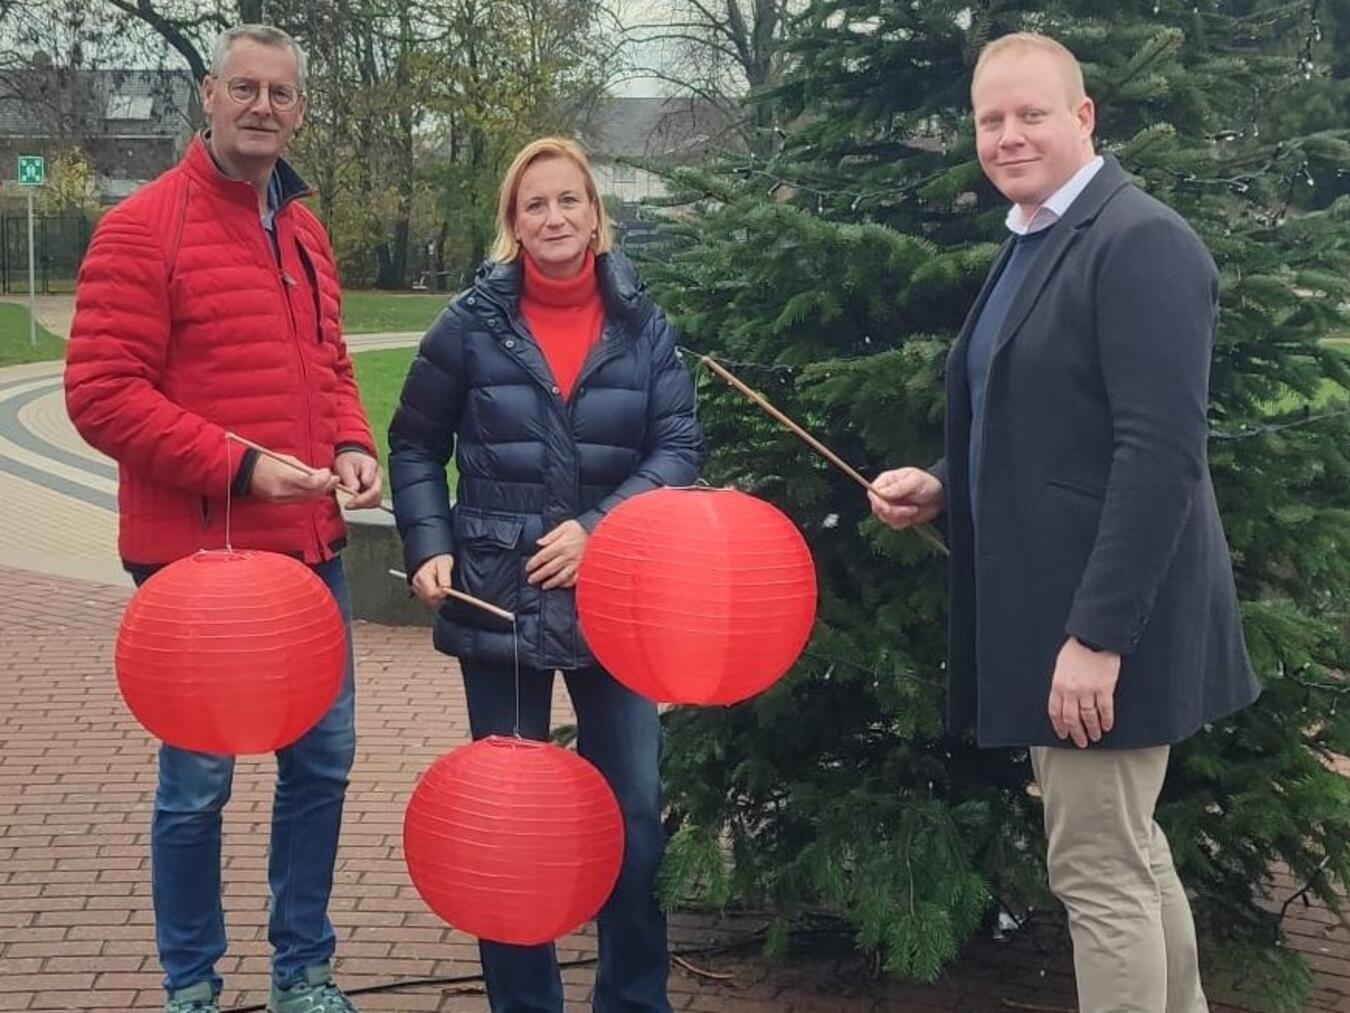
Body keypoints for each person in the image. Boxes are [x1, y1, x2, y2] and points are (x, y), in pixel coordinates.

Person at [868, 33, 1259, 1013]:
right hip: (1064, 622)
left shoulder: (1142, 241)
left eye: (1030, 114)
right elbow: (1045, 426)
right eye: (990, 119)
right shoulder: (1034, 236)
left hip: (1106, 629)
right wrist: (946, 484)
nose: (1007, 136)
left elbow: (1159, 453)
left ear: (1084, 117)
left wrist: (1096, 637)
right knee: (1127, 852)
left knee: (1098, 872)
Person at [65, 24, 379, 1013]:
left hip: (308, 554)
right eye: (244, 88)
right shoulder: (140, 227)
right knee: (197, 786)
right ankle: (191, 980)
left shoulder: (304, 228)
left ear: (300, 111)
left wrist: (351, 443)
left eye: (281, 94)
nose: (262, 107)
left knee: (322, 761)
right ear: (207, 96)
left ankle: (303, 969)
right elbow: (101, 392)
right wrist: (242, 468)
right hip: (196, 564)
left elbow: (329, 367)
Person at [388, 136, 703, 1013]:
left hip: (615, 605)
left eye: (569, 200)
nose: (554, 217)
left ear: (596, 214)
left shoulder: (644, 325)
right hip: (499, 600)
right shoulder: (468, 324)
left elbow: (678, 448)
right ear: (513, 223)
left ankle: (633, 998)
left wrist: (600, 531)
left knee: (634, 819)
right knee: (511, 826)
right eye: (536, 205)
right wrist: (428, 542)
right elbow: (415, 440)